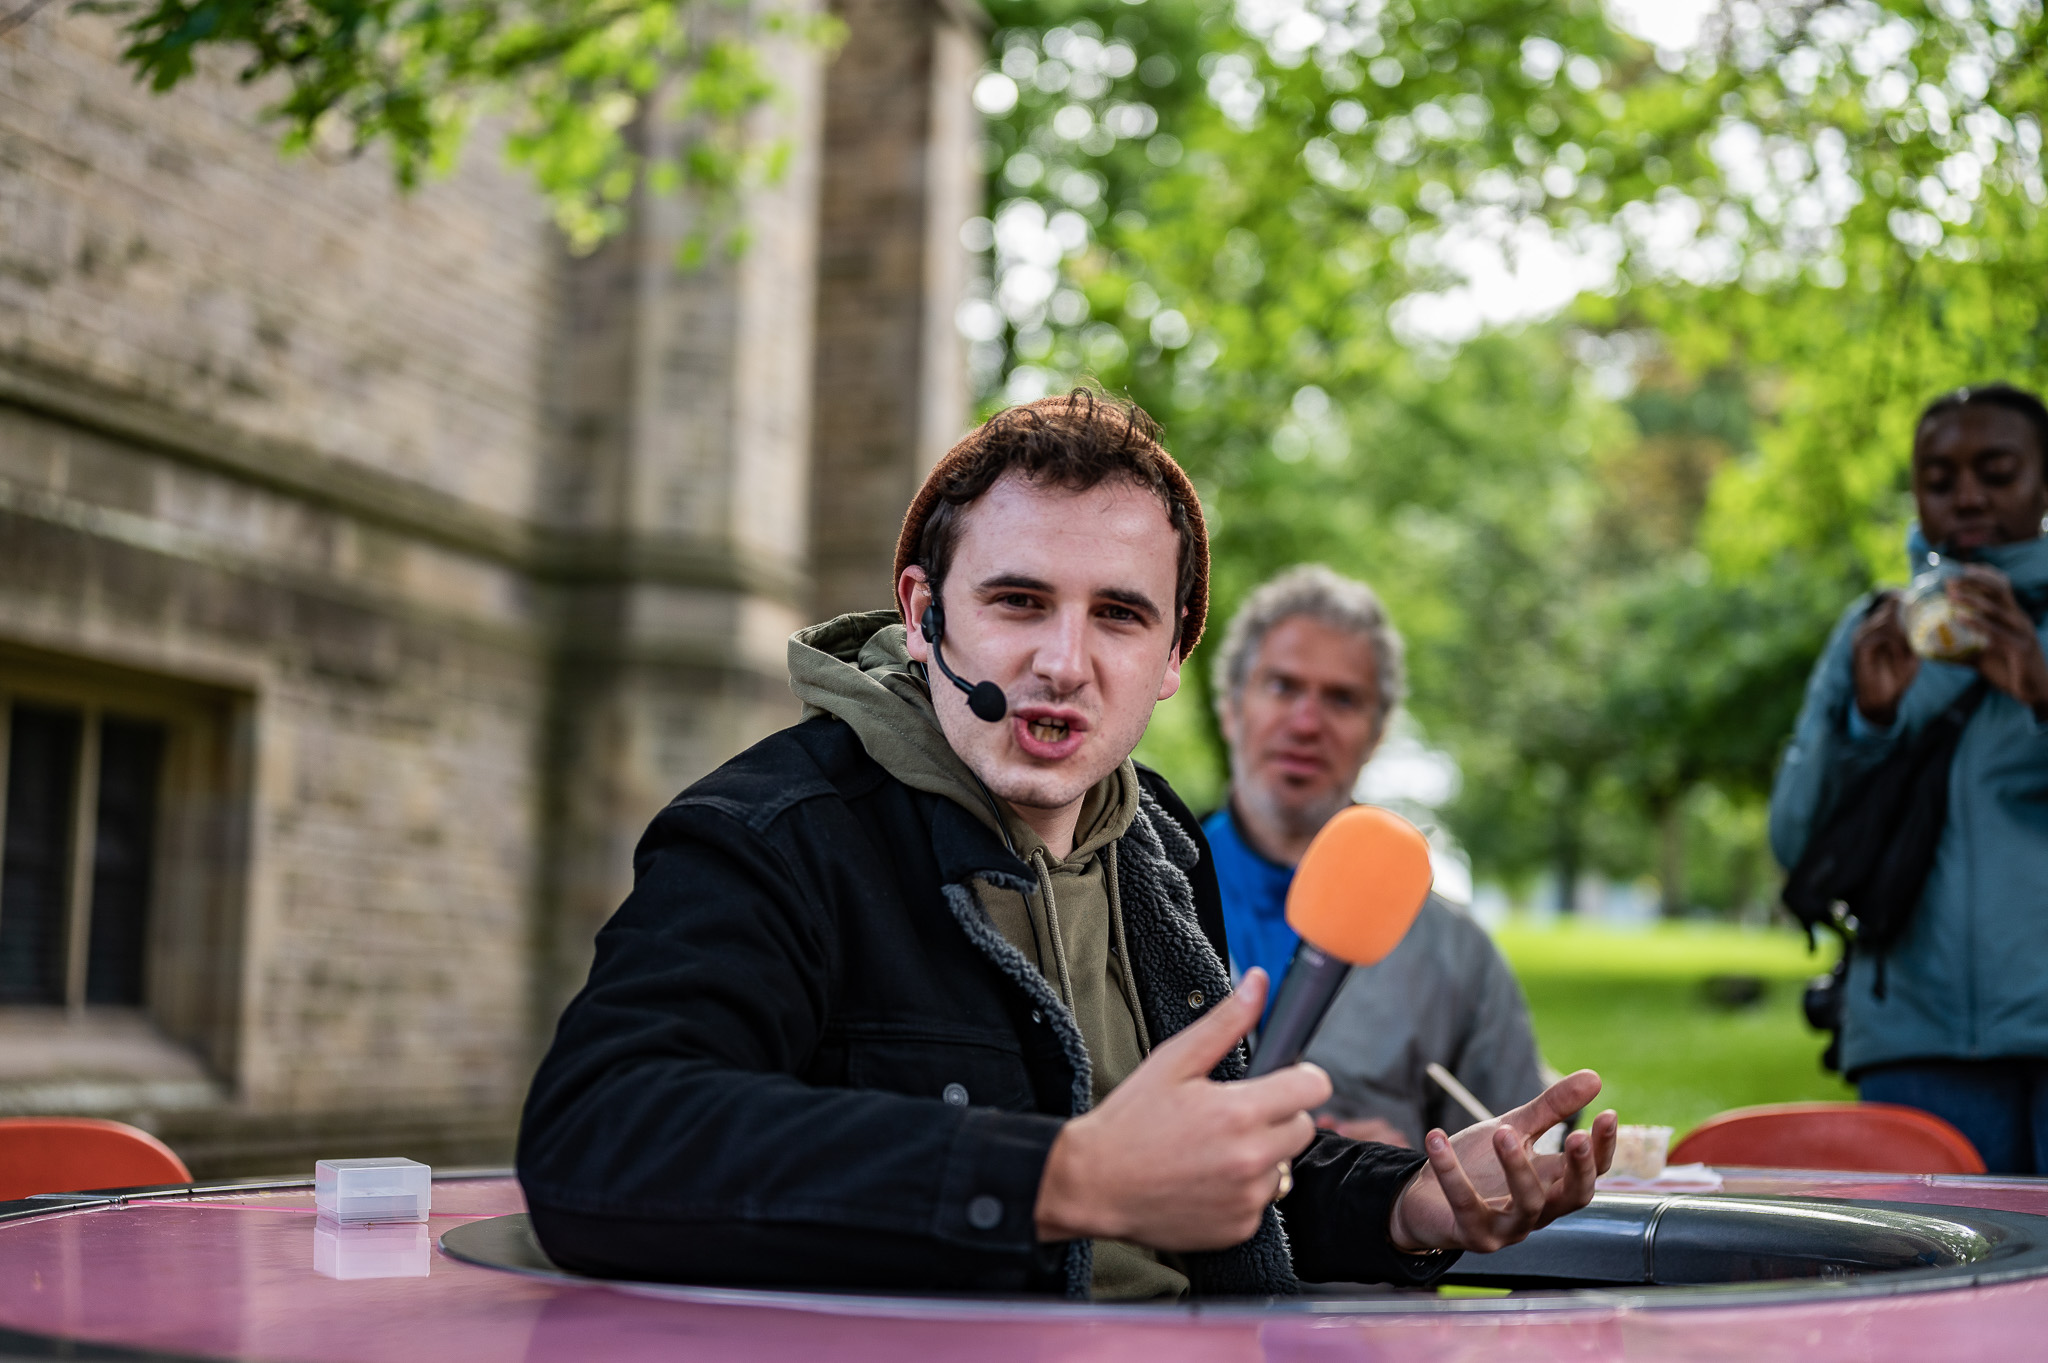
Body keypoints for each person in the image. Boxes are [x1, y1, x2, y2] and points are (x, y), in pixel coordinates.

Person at [518, 390, 1616, 1299]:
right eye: (1019, 599)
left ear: (1174, 653)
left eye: (1118, 615)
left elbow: (1200, 1191)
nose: (1063, 660)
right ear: (924, 607)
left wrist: (1408, 1201)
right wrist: (1057, 1176)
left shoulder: (1157, 843)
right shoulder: (772, 833)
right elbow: (596, 1139)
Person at [1771, 382, 2048, 1174]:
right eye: (1938, 477)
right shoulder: (1877, 632)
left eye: (1996, 472)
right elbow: (1796, 838)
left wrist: (2040, 691)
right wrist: (1869, 721)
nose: (1966, 495)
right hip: (1912, 1037)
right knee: (1933, 1283)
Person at [1203, 566, 1546, 1149]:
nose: (1306, 723)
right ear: (1231, 708)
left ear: (1378, 732)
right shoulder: (1127, 896)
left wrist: (1401, 1178)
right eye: (1282, 686)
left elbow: (1520, 1157)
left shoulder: (1455, 953)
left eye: (1342, 699)